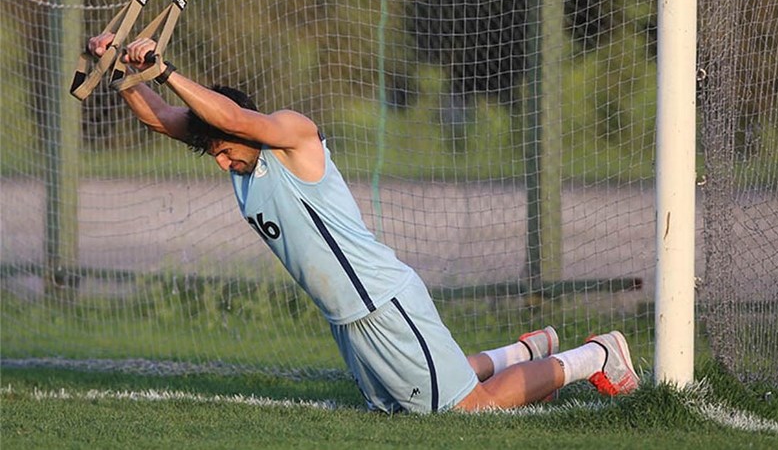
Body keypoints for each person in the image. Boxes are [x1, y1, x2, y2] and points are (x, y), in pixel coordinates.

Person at [86, 32, 640, 413]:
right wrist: (118, 69)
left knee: (467, 410)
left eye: (225, 151)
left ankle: (596, 354)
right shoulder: (236, 153)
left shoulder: (291, 136)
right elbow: (164, 119)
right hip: (347, 316)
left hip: (382, 299)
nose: (221, 161)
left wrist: (165, 67)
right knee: (409, 404)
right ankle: (524, 352)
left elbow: (229, 118)